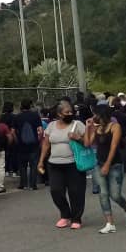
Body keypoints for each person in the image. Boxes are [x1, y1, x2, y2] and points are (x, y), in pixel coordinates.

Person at [85, 105, 126, 234]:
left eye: (95, 114)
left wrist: (107, 164)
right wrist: (88, 127)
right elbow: (87, 143)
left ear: (102, 114)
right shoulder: (97, 128)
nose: (93, 116)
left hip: (115, 165)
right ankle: (110, 223)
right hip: (98, 163)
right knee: (103, 193)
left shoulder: (115, 127)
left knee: (115, 195)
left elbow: (113, 147)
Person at [38, 99, 87, 230]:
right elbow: (46, 144)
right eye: (67, 112)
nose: (70, 113)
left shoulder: (78, 124)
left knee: (75, 192)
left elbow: (88, 142)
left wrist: (78, 138)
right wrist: (41, 161)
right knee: (56, 190)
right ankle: (65, 215)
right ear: (59, 114)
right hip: (54, 164)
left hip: (73, 164)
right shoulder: (51, 126)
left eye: (71, 111)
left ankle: (76, 218)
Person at [16, 99, 43, 190]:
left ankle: (23, 184)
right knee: (33, 165)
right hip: (33, 144)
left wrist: (17, 140)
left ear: (21, 106)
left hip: (21, 144)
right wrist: (38, 140)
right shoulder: (35, 116)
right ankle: (32, 185)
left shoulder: (18, 117)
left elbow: (13, 131)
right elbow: (40, 130)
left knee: (22, 165)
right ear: (30, 106)